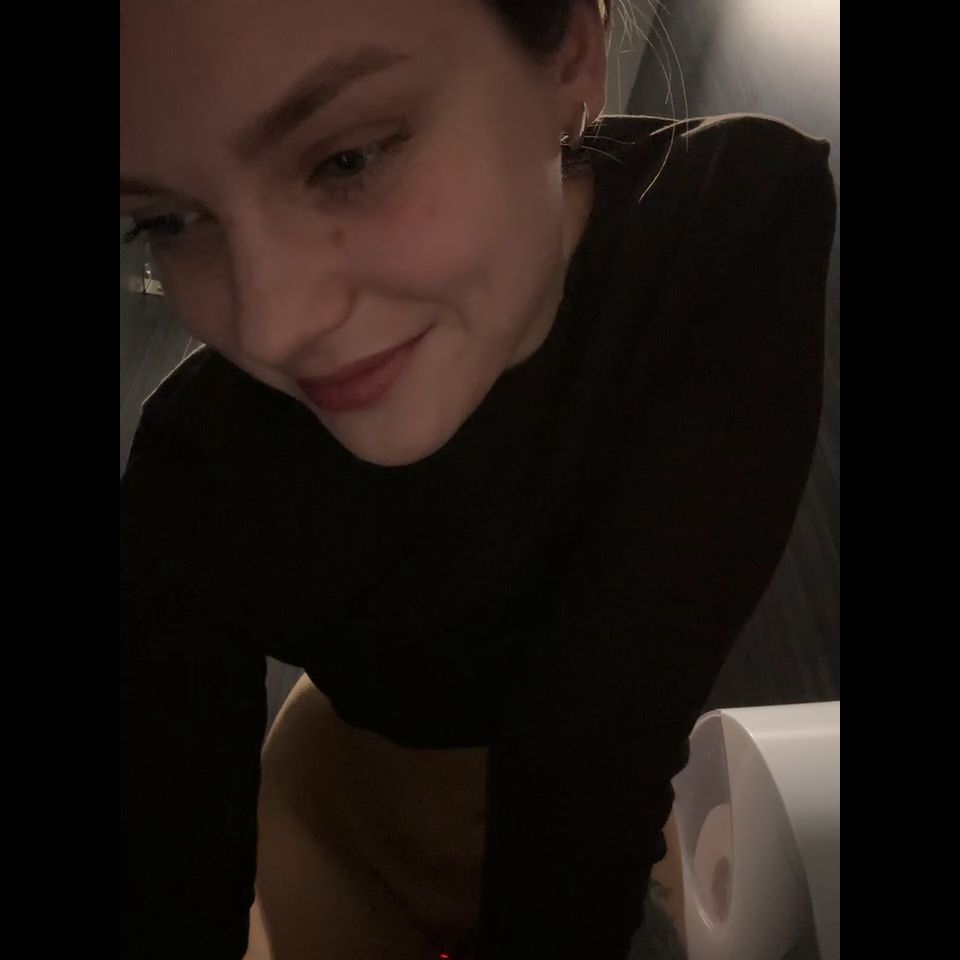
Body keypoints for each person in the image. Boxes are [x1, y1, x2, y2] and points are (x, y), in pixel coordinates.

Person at [120, 1, 837, 957]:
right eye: (168, 220)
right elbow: (168, 868)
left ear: (571, 55)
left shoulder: (729, 223)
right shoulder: (197, 463)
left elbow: (597, 756)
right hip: (346, 829)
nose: (269, 325)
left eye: (348, 159)